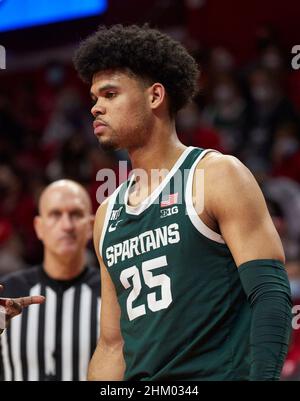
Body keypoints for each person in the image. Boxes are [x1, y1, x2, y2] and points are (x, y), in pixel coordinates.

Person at [73, 24, 292, 381]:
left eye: (109, 94)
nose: (96, 108)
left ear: (155, 96)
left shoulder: (217, 175)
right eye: (95, 98)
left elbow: (270, 294)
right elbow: (112, 346)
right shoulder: (107, 214)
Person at [0, 180, 101, 381]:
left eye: (76, 214)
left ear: (90, 227)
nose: (67, 225)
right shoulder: (7, 292)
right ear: (39, 227)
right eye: (55, 214)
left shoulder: (114, 293)